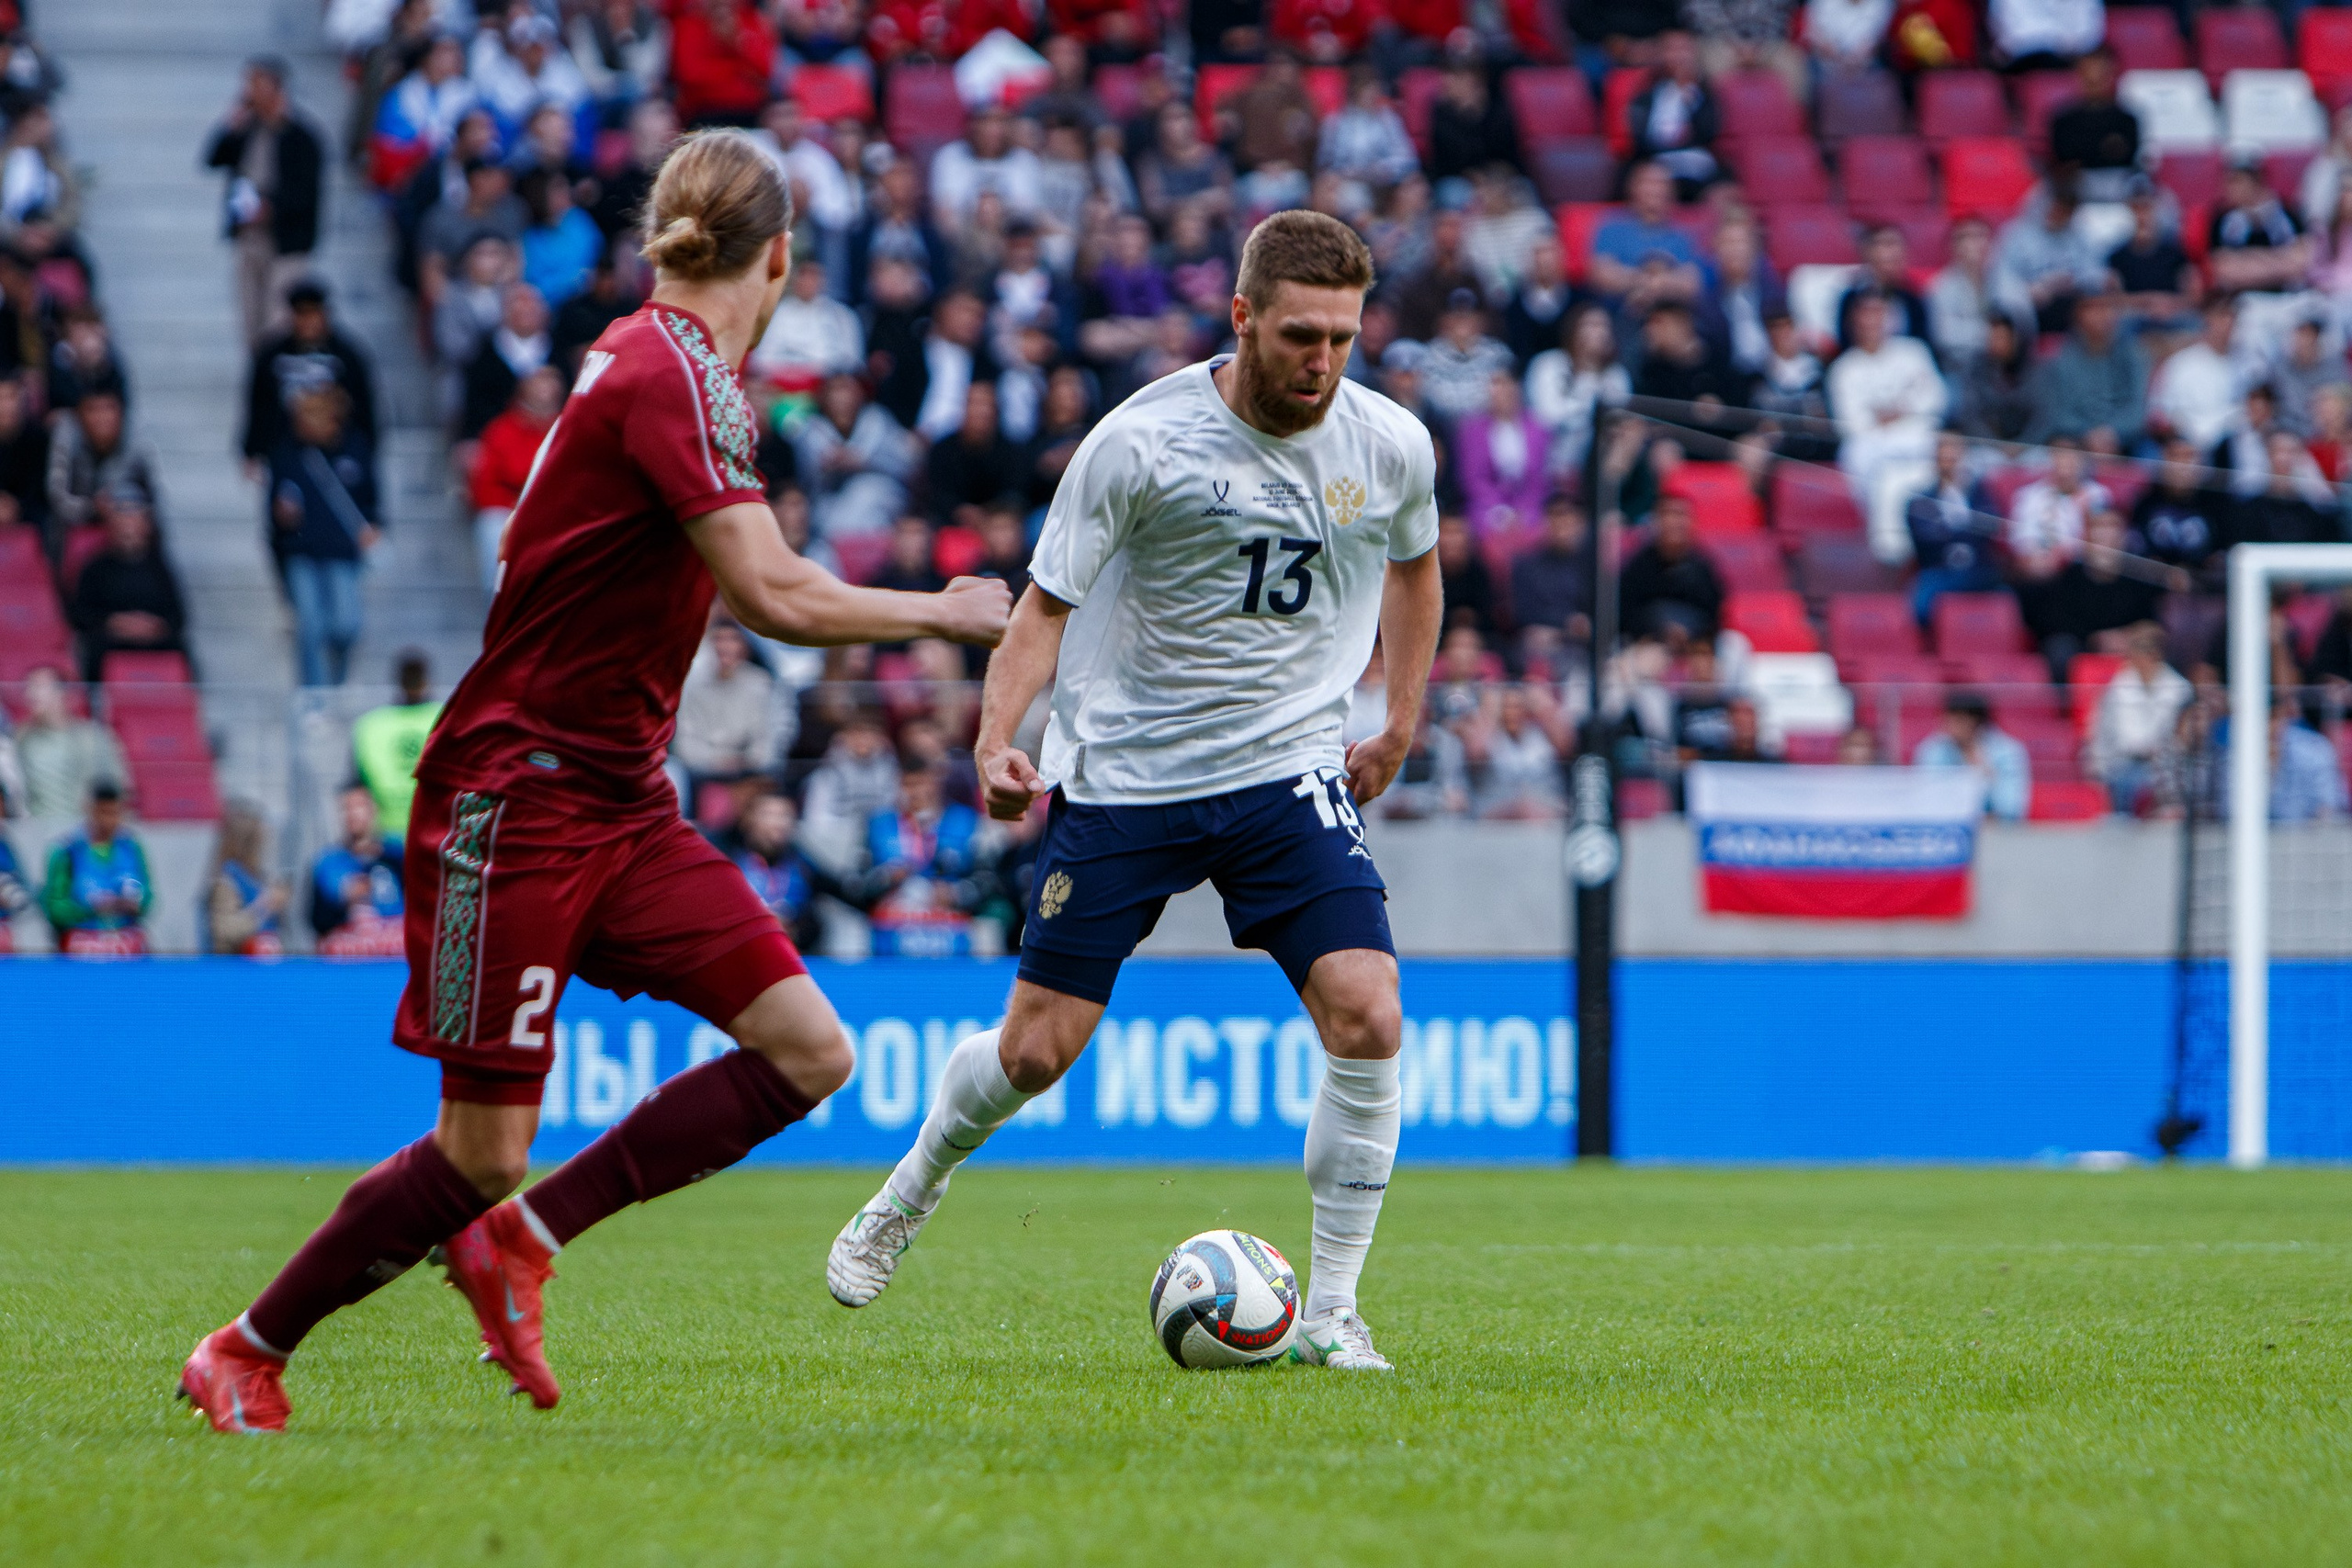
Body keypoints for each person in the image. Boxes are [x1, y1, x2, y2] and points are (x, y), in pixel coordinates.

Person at [175, 130, 1012, 1436]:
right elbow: (770, 590)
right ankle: (246, 1344)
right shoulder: (675, 374)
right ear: (781, 257)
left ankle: (528, 1239)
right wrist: (949, 611)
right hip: (514, 797)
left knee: (807, 1049)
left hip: (620, 798)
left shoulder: (661, 359)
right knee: (479, 1148)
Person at [825, 211, 1442, 1375]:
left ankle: (1333, 1313)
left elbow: (1416, 564)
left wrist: (1399, 718)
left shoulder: (1389, 444)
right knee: (1036, 1052)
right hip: (1128, 781)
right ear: (1242, 318)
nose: (1322, 362)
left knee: (1369, 1014)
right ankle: (912, 1186)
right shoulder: (1138, 443)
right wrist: (996, 739)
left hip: (1286, 773)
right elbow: (1041, 610)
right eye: (1300, 335)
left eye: (1344, 340)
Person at [203, 56, 326, 344]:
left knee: (278, 322)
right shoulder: (247, 130)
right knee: (250, 324)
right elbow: (213, 159)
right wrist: (230, 126)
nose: (249, 91)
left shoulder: (302, 138)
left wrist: (271, 209)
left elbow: (306, 193)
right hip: (249, 238)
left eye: (256, 84)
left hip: (286, 244)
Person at [267, 387, 379, 686]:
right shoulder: (287, 453)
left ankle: (336, 687)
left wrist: (374, 526)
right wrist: (283, 517)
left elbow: (371, 499)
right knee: (311, 626)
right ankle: (315, 697)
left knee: (347, 625)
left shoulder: (356, 449)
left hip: (342, 551)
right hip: (301, 551)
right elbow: (274, 511)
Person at [1829, 292, 1946, 561]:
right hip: (1875, 450)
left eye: (1878, 312)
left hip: (1915, 443)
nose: (1872, 321)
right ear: (1853, 321)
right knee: (1874, 468)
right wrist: (1905, 410)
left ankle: (1915, 544)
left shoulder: (1914, 352)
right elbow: (1852, 425)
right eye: (1865, 313)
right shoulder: (1844, 369)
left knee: (1921, 463)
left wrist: (1890, 414)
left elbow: (1936, 400)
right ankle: (1893, 552)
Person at [241, 280, 379, 479]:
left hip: (337, 449)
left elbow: (364, 403)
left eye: (313, 312)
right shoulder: (271, 355)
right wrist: (251, 451)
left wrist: (366, 448)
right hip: (286, 450)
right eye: (302, 313)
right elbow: (259, 403)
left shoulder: (347, 356)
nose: (309, 321)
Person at [70, 491, 187, 685]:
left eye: (135, 519)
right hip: (111, 640)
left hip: (152, 640)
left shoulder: (159, 568)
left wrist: (154, 625)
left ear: (146, 525)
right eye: (123, 519)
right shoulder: (95, 568)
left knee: (180, 648)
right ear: (111, 524)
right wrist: (114, 622)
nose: (129, 527)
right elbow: (80, 614)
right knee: (95, 648)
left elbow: (178, 616)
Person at [2086, 621, 2191, 816]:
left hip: (2168, 767)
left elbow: (2177, 741)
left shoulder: (2180, 690)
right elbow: (2106, 735)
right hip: (2122, 765)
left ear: (2155, 654)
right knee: (2130, 780)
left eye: (2139, 651)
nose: (2132, 658)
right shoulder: (2117, 687)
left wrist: (2156, 753)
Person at [2023, 288, 2144, 456]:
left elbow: (2137, 407)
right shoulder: (2060, 357)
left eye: (2107, 307)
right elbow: (2056, 411)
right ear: (2077, 315)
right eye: (2092, 308)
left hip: (2124, 440)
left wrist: (2112, 433)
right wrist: (2088, 435)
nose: (2101, 315)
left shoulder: (2133, 354)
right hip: (2075, 440)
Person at [43, 782, 152, 955]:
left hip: (126, 941)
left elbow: (148, 895)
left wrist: (135, 903)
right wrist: (90, 908)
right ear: (89, 809)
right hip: (84, 942)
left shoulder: (130, 848)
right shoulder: (68, 850)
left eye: (114, 813)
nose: (108, 821)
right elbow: (54, 905)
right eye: (102, 813)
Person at [1905, 430, 1999, 623]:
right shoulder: (1920, 500)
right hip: (1940, 570)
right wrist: (1967, 528)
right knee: (1920, 606)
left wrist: (1952, 526)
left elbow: (1992, 526)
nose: (1949, 455)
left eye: (1954, 448)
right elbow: (1927, 539)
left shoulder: (1980, 493)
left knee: (2010, 602)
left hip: (1979, 570)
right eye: (1943, 447)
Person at [16, 665, 127, 818]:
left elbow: (118, 786)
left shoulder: (92, 738)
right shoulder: (22, 741)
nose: (30, 694)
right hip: (36, 832)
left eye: (38, 687)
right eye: (27, 688)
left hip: (82, 832)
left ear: (61, 693)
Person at [725, 786, 826, 949]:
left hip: (790, 956)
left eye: (784, 815)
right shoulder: (727, 861)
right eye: (769, 815)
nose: (777, 823)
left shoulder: (803, 865)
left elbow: (846, 895)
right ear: (748, 819)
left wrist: (795, 932)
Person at [352, 650, 442, 834]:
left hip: (420, 834)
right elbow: (355, 790)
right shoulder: (445, 718)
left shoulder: (372, 725)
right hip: (403, 837)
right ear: (427, 680)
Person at [311, 783, 406, 955]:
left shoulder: (395, 853)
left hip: (394, 946)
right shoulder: (330, 861)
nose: (353, 814)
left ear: (374, 810)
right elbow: (342, 892)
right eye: (346, 808)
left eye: (359, 806)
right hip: (354, 949)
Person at [1617, 492, 1724, 642]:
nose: (1675, 522)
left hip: (1696, 647)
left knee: (1734, 644)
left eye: (1681, 515)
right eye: (1668, 514)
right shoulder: (1638, 568)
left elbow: (1714, 616)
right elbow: (1624, 616)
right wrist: (1659, 630)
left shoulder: (1703, 568)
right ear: (1656, 521)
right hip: (1649, 644)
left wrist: (1689, 633)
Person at [1913, 691, 2028, 821]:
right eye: (1948, 720)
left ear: (1979, 724)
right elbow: (1927, 802)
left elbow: (2011, 810)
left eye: (1959, 721)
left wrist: (1985, 774)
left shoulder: (2008, 752)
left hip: (1997, 833)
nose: (1951, 727)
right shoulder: (1933, 750)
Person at [205, 801, 288, 957]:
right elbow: (224, 930)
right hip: (234, 967)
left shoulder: (257, 877)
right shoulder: (226, 882)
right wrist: (264, 906)